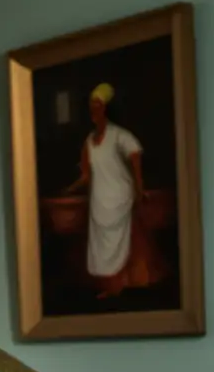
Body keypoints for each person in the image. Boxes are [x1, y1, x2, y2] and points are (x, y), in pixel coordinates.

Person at [62, 82, 160, 298]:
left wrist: (139, 188)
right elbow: (86, 174)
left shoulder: (119, 135)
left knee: (126, 242)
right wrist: (69, 189)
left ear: (106, 108)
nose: (94, 110)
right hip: (100, 201)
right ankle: (109, 286)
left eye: (98, 105)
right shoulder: (89, 141)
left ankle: (124, 284)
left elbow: (135, 158)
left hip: (119, 196)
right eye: (91, 105)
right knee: (101, 248)